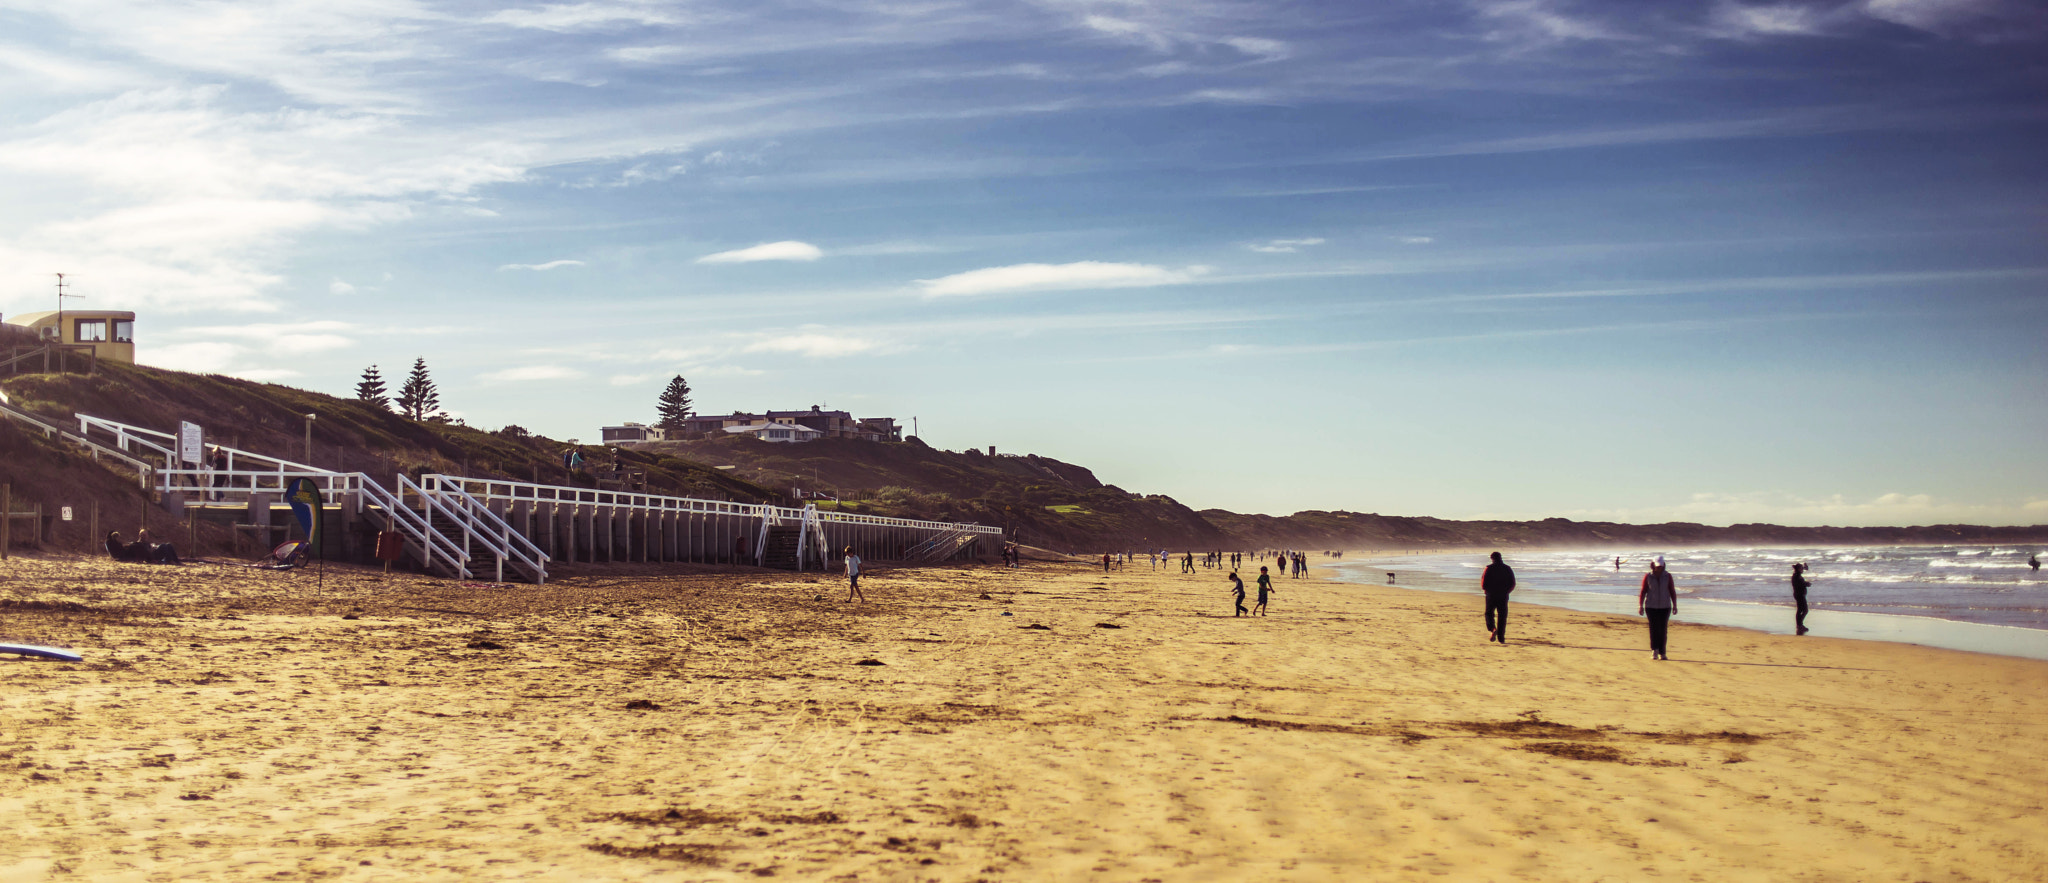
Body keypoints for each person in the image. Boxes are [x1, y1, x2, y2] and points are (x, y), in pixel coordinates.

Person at [1639, 555, 1678, 660]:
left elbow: (1672, 591)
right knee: (1654, 629)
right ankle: (1654, 650)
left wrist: (1675, 605)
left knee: (1663, 629)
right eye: (1657, 566)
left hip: (1665, 607)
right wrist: (1640, 606)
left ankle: (1662, 652)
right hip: (1651, 607)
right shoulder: (1648, 576)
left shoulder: (1668, 576)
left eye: (1660, 566)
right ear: (1652, 565)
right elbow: (1643, 591)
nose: (1659, 568)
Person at [1481, 551, 1516, 644]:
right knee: (1502, 616)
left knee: (1489, 613)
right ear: (1501, 558)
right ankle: (1501, 638)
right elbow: (1513, 583)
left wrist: (1485, 590)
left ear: (1492, 558)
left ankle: (1492, 628)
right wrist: (1507, 591)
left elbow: (1483, 582)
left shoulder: (1488, 568)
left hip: (1491, 594)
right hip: (1503, 595)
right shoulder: (1507, 568)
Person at [1792, 562, 1812, 635]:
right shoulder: (1796, 577)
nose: (1802, 569)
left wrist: (1805, 567)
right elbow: (1800, 585)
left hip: (1799, 595)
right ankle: (1800, 625)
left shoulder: (1797, 575)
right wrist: (1806, 584)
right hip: (1799, 595)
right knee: (1805, 610)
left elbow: (1803, 570)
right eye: (1801, 568)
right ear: (1798, 569)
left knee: (1800, 610)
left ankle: (1799, 625)